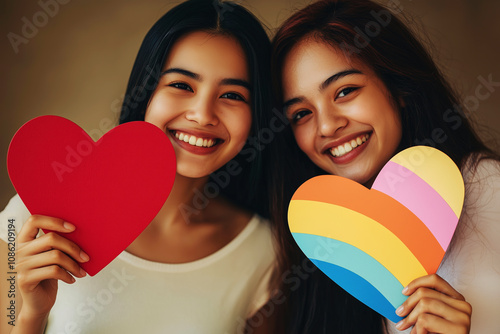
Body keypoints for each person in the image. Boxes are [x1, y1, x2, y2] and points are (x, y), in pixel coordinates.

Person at [0, 0, 277, 333]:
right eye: (182, 85)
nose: (203, 114)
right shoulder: (31, 218)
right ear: (146, 93)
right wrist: (32, 314)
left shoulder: (262, 251)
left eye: (232, 95)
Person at [268, 0, 500, 333]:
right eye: (301, 114)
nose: (327, 127)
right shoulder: (316, 238)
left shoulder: (487, 190)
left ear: (398, 86)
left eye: (345, 91)